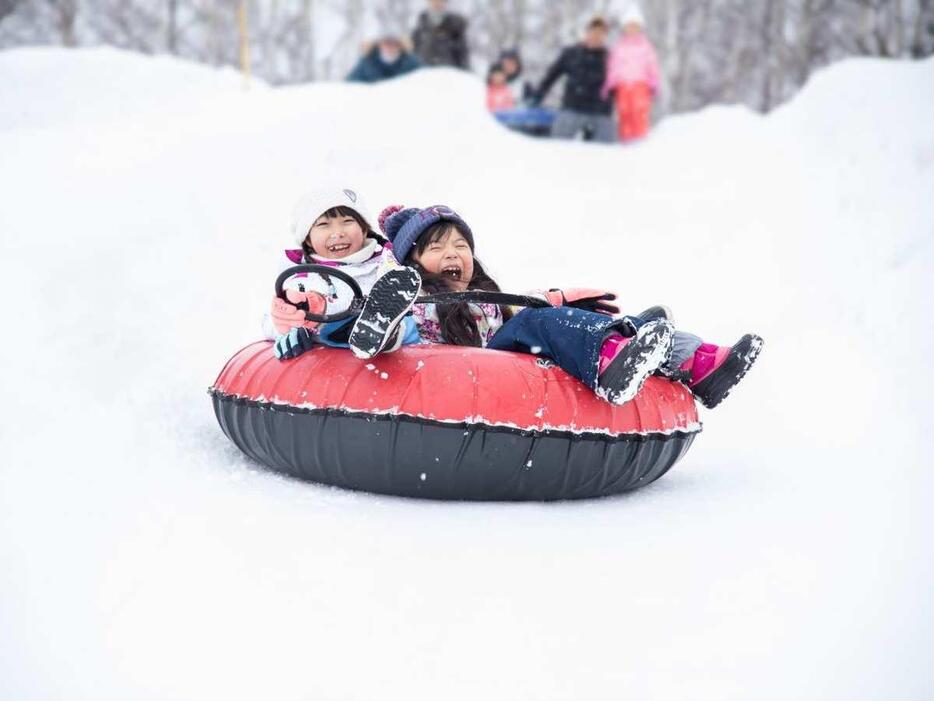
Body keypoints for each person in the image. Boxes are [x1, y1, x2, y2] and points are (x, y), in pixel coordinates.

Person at [349, 204, 763, 409]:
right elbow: (401, 332)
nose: (453, 253)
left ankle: (698, 362)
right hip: (466, 377)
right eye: (436, 248)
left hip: (503, 361)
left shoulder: (486, 298)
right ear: (413, 263)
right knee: (540, 323)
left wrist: (559, 303)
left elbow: (516, 322)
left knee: (625, 323)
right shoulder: (413, 302)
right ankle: (609, 364)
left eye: (461, 245)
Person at [265, 187, 421, 360]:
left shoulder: (387, 264)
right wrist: (286, 327)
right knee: (322, 320)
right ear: (307, 238)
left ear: (363, 229)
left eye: (347, 221)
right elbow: (270, 319)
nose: (337, 233)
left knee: (403, 312)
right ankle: (362, 330)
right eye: (323, 224)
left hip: (401, 349)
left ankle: (386, 330)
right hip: (332, 359)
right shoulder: (301, 278)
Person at [533, 16, 616, 143]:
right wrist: (538, 95)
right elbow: (551, 76)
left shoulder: (611, 58)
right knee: (558, 145)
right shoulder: (571, 53)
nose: (596, 35)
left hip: (601, 113)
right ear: (587, 32)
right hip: (572, 109)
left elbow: (620, 85)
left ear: (605, 36)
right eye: (593, 31)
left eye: (601, 32)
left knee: (607, 148)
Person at [602, 4, 660, 142]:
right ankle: (625, 140)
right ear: (624, 28)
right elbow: (613, 67)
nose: (632, 29)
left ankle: (640, 139)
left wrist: (654, 84)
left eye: (635, 26)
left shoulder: (645, 46)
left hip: (640, 84)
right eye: (629, 26)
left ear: (640, 28)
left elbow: (652, 66)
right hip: (622, 85)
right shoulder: (619, 46)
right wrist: (609, 85)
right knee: (624, 112)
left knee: (639, 112)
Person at [412, 0, 470, 69]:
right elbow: (414, 53)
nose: (436, 3)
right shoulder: (421, 27)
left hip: (448, 72)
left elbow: (462, 54)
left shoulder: (455, 26)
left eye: (440, 1)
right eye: (433, 1)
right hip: (425, 72)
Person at [346, 36, 421, 83]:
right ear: (379, 45)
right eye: (386, 43)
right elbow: (350, 86)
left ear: (400, 46)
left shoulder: (411, 63)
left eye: (393, 43)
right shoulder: (367, 63)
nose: (389, 47)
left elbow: (424, 81)